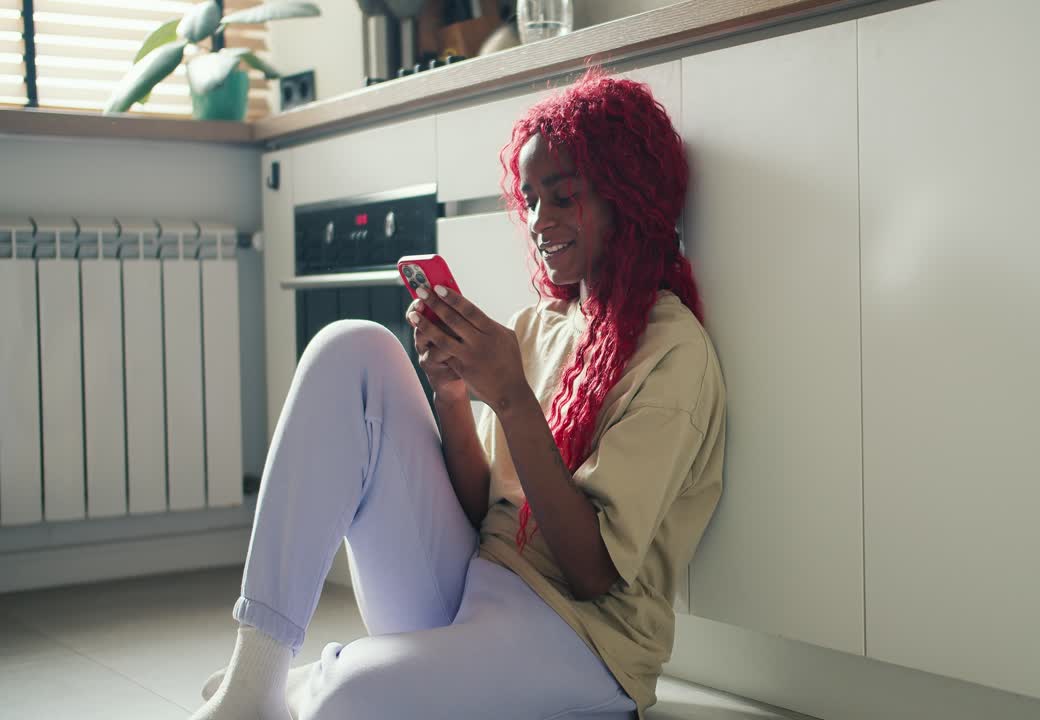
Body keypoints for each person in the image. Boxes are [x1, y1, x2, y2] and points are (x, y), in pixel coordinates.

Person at [191, 68, 726, 720]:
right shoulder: (541, 325)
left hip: (583, 644)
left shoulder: (674, 353)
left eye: (563, 196)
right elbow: (483, 514)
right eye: (529, 199)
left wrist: (509, 396)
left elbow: (592, 575)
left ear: (626, 196)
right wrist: (449, 393)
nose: (538, 219)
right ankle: (254, 683)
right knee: (352, 347)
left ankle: (316, 685)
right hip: (473, 585)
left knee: (349, 698)